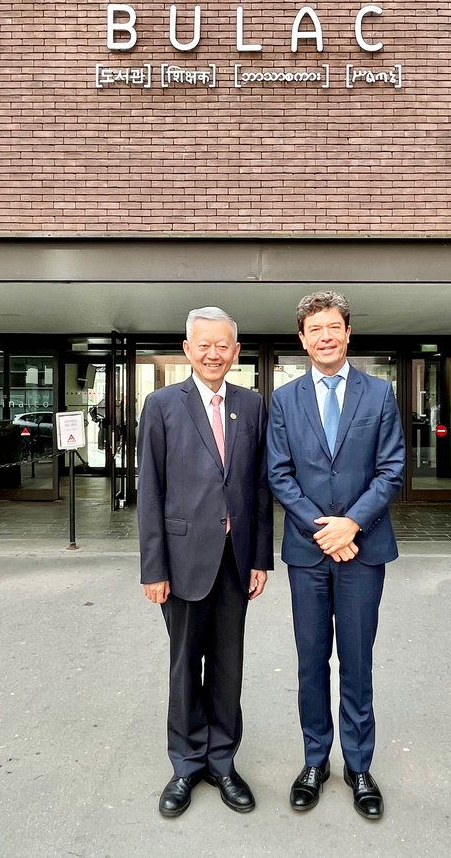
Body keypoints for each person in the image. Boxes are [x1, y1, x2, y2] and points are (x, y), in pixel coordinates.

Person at [267, 291, 405, 820]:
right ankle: (314, 762)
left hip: (363, 550)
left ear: (348, 333)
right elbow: (279, 473)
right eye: (315, 329)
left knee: (357, 660)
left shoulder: (379, 394)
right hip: (308, 553)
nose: (325, 336)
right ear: (302, 340)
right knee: (310, 661)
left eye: (333, 327)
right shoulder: (285, 400)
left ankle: (359, 765)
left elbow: (391, 468)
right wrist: (324, 530)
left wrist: (352, 524)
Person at [137, 306, 274, 818]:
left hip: (236, 562)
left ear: (235, 352)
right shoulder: (162, 405)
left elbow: (259, 487)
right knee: (184, 666)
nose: (214, 354)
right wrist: (153, 568)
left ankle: (222, 762)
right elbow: (150, 490)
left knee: (227, 666)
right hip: (181, 561)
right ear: (187, 350)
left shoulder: (251, 405)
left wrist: (260, 557)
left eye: (223, 346)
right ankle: (186, 763)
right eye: (204, 345)